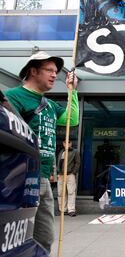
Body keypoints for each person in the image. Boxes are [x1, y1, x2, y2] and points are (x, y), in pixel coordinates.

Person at [4, 51, 79, 253]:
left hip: (44, 178)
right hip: (21, 178)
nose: (55, 75)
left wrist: (72, 91)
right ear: (33, 71)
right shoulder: (12, 97)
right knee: (15, 238)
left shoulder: (50, 105)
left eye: (56, 71)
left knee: (45, 237)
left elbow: (72, 120)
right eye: (49, 70)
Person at [57, 140, 81, 217]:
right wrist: (58, 172)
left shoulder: (75, 151)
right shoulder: (61, 151)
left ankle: (71, 210)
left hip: (70, 174)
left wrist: (73, 172)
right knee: (61, 193)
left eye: (68, 142)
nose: (66, 144)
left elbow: (78, 163)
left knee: (71, 192)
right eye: (64, 142)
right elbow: (59, 163)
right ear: (63, 144)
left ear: (70, 143)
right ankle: (62, 210)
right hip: (61, 175)